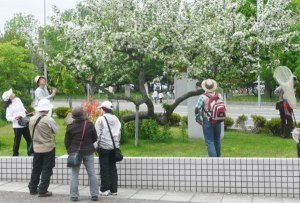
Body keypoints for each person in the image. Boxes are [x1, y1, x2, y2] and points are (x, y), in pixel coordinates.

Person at [65, 107, 99, 201]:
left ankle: (74, 196)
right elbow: (94, 138)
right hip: (88, 152)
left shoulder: (70, 126)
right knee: (92, 173)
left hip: (75, 152)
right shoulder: (89, 125)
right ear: (83, 115)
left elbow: (67, 142)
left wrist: (70, 151)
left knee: (74, 174)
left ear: (73, 116)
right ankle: (95, 194)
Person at [28, 99, 58, 197]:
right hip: (48, 147)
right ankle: (43, 190)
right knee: (47, 169)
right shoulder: (49, 120)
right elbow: (56, 131)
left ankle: (32, 188)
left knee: (36, 168)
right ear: (48, 109)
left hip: (36, 147)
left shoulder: (32, 119)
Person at [95, 101, 121, 196]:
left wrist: (95, 147)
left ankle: (104, 189)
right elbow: (119, 133)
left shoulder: (100, 119)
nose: (100, 110)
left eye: (100, 109)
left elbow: (97, 135)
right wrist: (117, 145)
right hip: (114, 147)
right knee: (112, 168)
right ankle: (114, 190)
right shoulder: (116, 119)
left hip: (104, 147)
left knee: (104, 168)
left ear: (103, 109)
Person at [195, 79, 222, 157]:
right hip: (218, 119)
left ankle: (214, 161)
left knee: (209, 141)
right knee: (217, 140)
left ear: (205, 87)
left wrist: (198, 119)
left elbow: (197, 109)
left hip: (207, 119)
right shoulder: (219, 95)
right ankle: (218, 158)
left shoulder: (202, 97)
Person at [2, 89, 32, 156]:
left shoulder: (18, 99)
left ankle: (30, 153)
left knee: (29, 139)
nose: (13, 93)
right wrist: (15, 118)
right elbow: (8, 117)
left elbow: (22, 107)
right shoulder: (9, 107)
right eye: (11, 93)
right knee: (17, 141)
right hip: (17, 126)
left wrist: (25, 110)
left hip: (24, 122)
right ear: (9, 97)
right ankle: (15, 154)